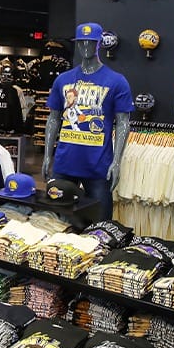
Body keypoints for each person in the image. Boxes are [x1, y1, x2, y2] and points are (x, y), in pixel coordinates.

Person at [42, 22, 134, 220]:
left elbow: (124, 123)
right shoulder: (63, 80)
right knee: (57, 223)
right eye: (81, 42)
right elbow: (53, 119)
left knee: (99, 225)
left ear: (99, 44)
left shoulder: (116, 81)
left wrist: (117, 161)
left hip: (98, 166)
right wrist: (47, 155)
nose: (86, 46)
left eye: (91, 42)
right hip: (64, 164)